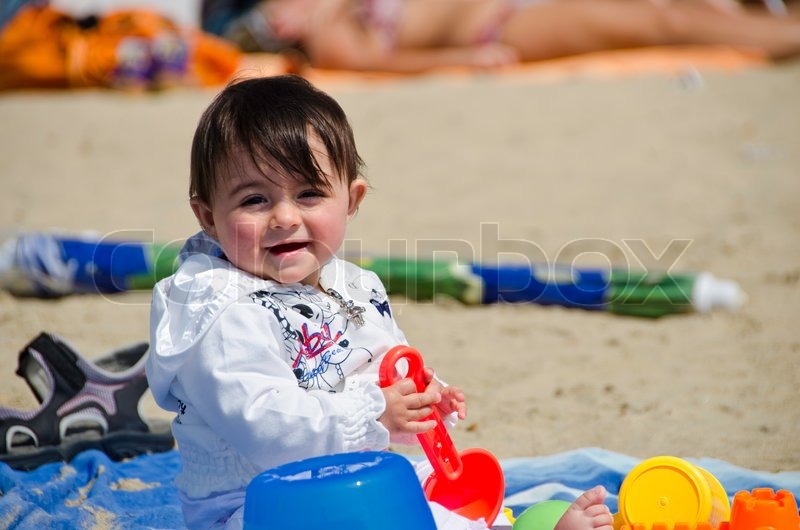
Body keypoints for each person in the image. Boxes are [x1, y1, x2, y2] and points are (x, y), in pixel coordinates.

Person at [145, 74, 614, 530]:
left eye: (309, 193)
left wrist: (422, 395)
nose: (285, 217)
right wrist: (375, 413)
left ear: (351, 199)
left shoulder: (349, 284)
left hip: (349, 472)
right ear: (208, 216)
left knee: (429, 493)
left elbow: (378, 363)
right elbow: (268, 427)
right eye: (254, 200)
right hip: (258, 502)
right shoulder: (219, 312)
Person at [201, 0, 800, 73]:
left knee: (683, 8)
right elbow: (395, 64)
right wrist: (472, 57)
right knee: (664, 22)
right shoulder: (331, 38)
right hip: (504, 21)